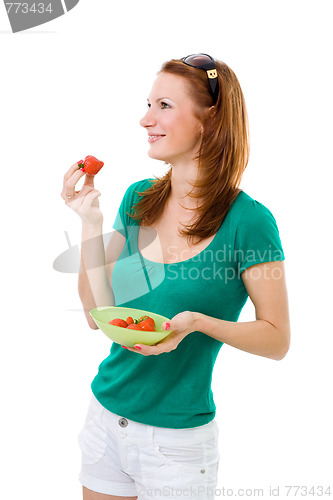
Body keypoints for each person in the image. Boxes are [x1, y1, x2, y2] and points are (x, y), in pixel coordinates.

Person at [61, 53, 290, 500]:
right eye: (148, 104)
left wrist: (198, 324)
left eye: (163, 106)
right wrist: (90, 225)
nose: (146, 119)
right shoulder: (139, 199)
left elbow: (277, 338)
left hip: (177, 447)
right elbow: (97, 315)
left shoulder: (250, 222)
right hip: (106, 418)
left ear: (209, 119)